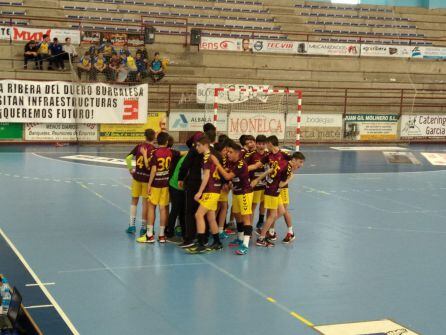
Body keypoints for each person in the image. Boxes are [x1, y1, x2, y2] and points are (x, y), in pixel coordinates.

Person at [211, 140, 254, 256]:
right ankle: (240, 238)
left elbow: (228, 175)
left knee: (246, 218)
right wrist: (227, 183)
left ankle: (245, 245)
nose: (228, 154)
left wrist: (217, 164)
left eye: (230, 152)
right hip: (236, 192)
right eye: (227, 151)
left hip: (245, 193)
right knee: (237, 216)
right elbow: (229, 177)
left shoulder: (241, 164)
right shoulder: (231, 162)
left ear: (237, 153)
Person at [186, 136, 223, 254]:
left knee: (198, 215)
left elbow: (206, 176)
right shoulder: (211, 156)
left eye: (198, 145)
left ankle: (201, 244)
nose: (196, 148)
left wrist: (200, 192)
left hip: (211, 190)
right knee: (211, 217)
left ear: (205, 145)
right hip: (214, 190)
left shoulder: (207, 157)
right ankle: (217, 242)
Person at [252, 136, 289, 247]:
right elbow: (261, 167)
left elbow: (291, 167)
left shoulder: (284, 155)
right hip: (271, 188)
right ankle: (262, 238)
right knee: (272, 215)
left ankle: (265, 229)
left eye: (266, 144)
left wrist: (286, 180)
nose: (265, 147)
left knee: (281, 211)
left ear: (270, 143)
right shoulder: (269, 156)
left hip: (277, 189)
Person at [137, 132, 173, 244]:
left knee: (151, 207)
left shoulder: (155, 153)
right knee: (163, 209)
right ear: (167, 142)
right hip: (165, 184)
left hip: (156, 184)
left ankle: (149, 235)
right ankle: (162, 235)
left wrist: (149, 184)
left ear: (158, 141)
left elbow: (152, 169)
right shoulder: (170, 152)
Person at [125, 129, 156, 236]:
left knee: (134, 201)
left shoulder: (139, 146)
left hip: (137, 178)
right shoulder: (153, 149)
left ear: (145, 136)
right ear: (154, 137)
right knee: (145, 204)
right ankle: (143, 228)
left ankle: (131, 226)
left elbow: (128, 158)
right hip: (147, 180)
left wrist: (130, 170)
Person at [178, 131, 204, 248]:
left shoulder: (193, 150)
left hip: (194, 183)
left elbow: (185, 165)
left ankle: (190, 238)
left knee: (190, 211)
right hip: (206, 185)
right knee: (205, 212)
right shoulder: (211, 152)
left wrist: (180, 178)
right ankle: (203, 237)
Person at [276, 152, 305, 243]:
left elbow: (281, 184)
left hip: (282, 190)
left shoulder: (289, 167)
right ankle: (271, 231)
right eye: (300, 162)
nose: (301, 165)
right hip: (277, 189)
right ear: (294, 160)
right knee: (277, 211)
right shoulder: (286, 165)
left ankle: (290, 232)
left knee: (283, 211)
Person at [245, 135, 268, 233]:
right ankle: (249, 227)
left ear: (266, 144)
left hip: (266, 185)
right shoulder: (251, 155)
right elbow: (245, 168)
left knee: (264, 204)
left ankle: (261, 221)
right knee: (253, 206)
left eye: (263, 144)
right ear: (256, 143)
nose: (261, 146)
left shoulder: (269, 154)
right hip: (255, 185)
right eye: (259, 144)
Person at [166, 137, 186, 243]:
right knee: (176, 209)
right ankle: (169, 232)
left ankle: (178, 230)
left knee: (178, 209)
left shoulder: (172, 153)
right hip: (175, 184)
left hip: (170, 181)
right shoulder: (175, 153)